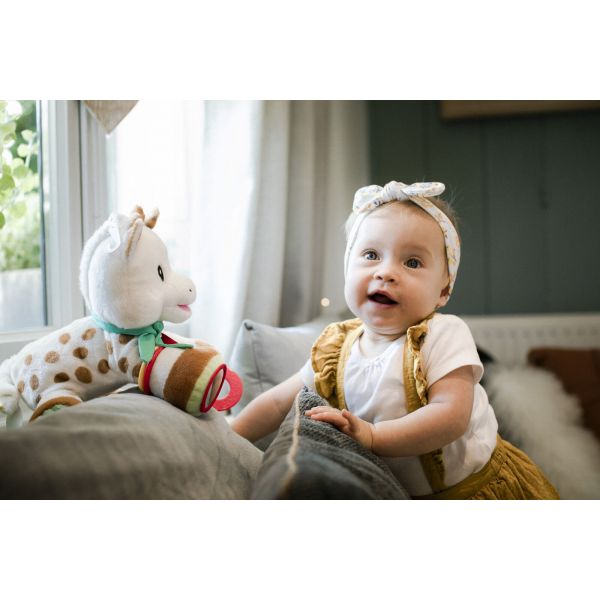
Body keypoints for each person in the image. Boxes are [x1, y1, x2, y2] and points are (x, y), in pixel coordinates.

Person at [232, 180, 559, 499]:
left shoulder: (442, 334)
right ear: (347, 269)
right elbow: (277, 403)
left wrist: (374, 436)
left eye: (412, 262)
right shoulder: (337, 348)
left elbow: (451, 415)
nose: (385, 272)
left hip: (475, 489)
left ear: (443, 290)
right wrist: (230, 435)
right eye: (371, 254)